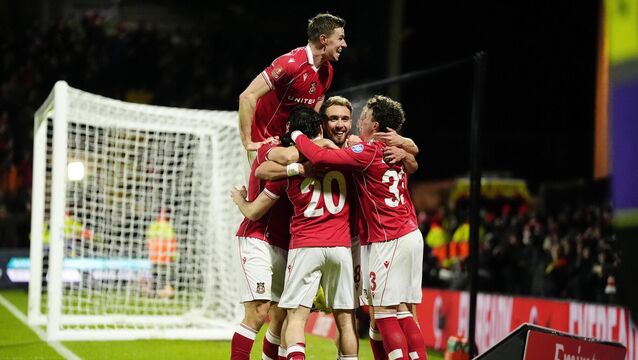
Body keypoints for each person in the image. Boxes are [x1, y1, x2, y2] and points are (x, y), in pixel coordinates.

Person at [289, 95, 427, 360]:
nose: (357, 123)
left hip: (388, 236)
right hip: (408, 232)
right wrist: (408, 147)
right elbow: (413, 162)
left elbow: (317, 155)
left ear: (374, 125)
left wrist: (295, 132)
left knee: (384, 314)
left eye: (362, 118)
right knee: (401, 311)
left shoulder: (366, 151)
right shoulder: (394, 151)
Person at [231, 106, 358, 360]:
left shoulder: (302, 159)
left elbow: (261, 173)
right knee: (260, 312)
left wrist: (240, 201)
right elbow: (262, 173)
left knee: (282, 317)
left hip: (296, 244)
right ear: (321, 127)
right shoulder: (279, 150)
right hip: (261, 239)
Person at [238, 13, 347, 163]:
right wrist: (248, 142)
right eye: (340, 38)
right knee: (260, 186)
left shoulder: (327, 71)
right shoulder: (290, 64)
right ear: (323, 39)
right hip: (264, 144)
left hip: (291, 148)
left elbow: (312, 113)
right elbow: (247, 96)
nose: (344, 44)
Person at [145, 208, 177, 298]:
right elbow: (149, 241)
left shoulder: (162, 226)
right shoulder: (160, 226)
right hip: (159, 257)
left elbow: (172, 242)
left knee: (161, 276)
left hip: (161, 257)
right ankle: (159, 293)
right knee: (158, 276)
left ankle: (161, 293)